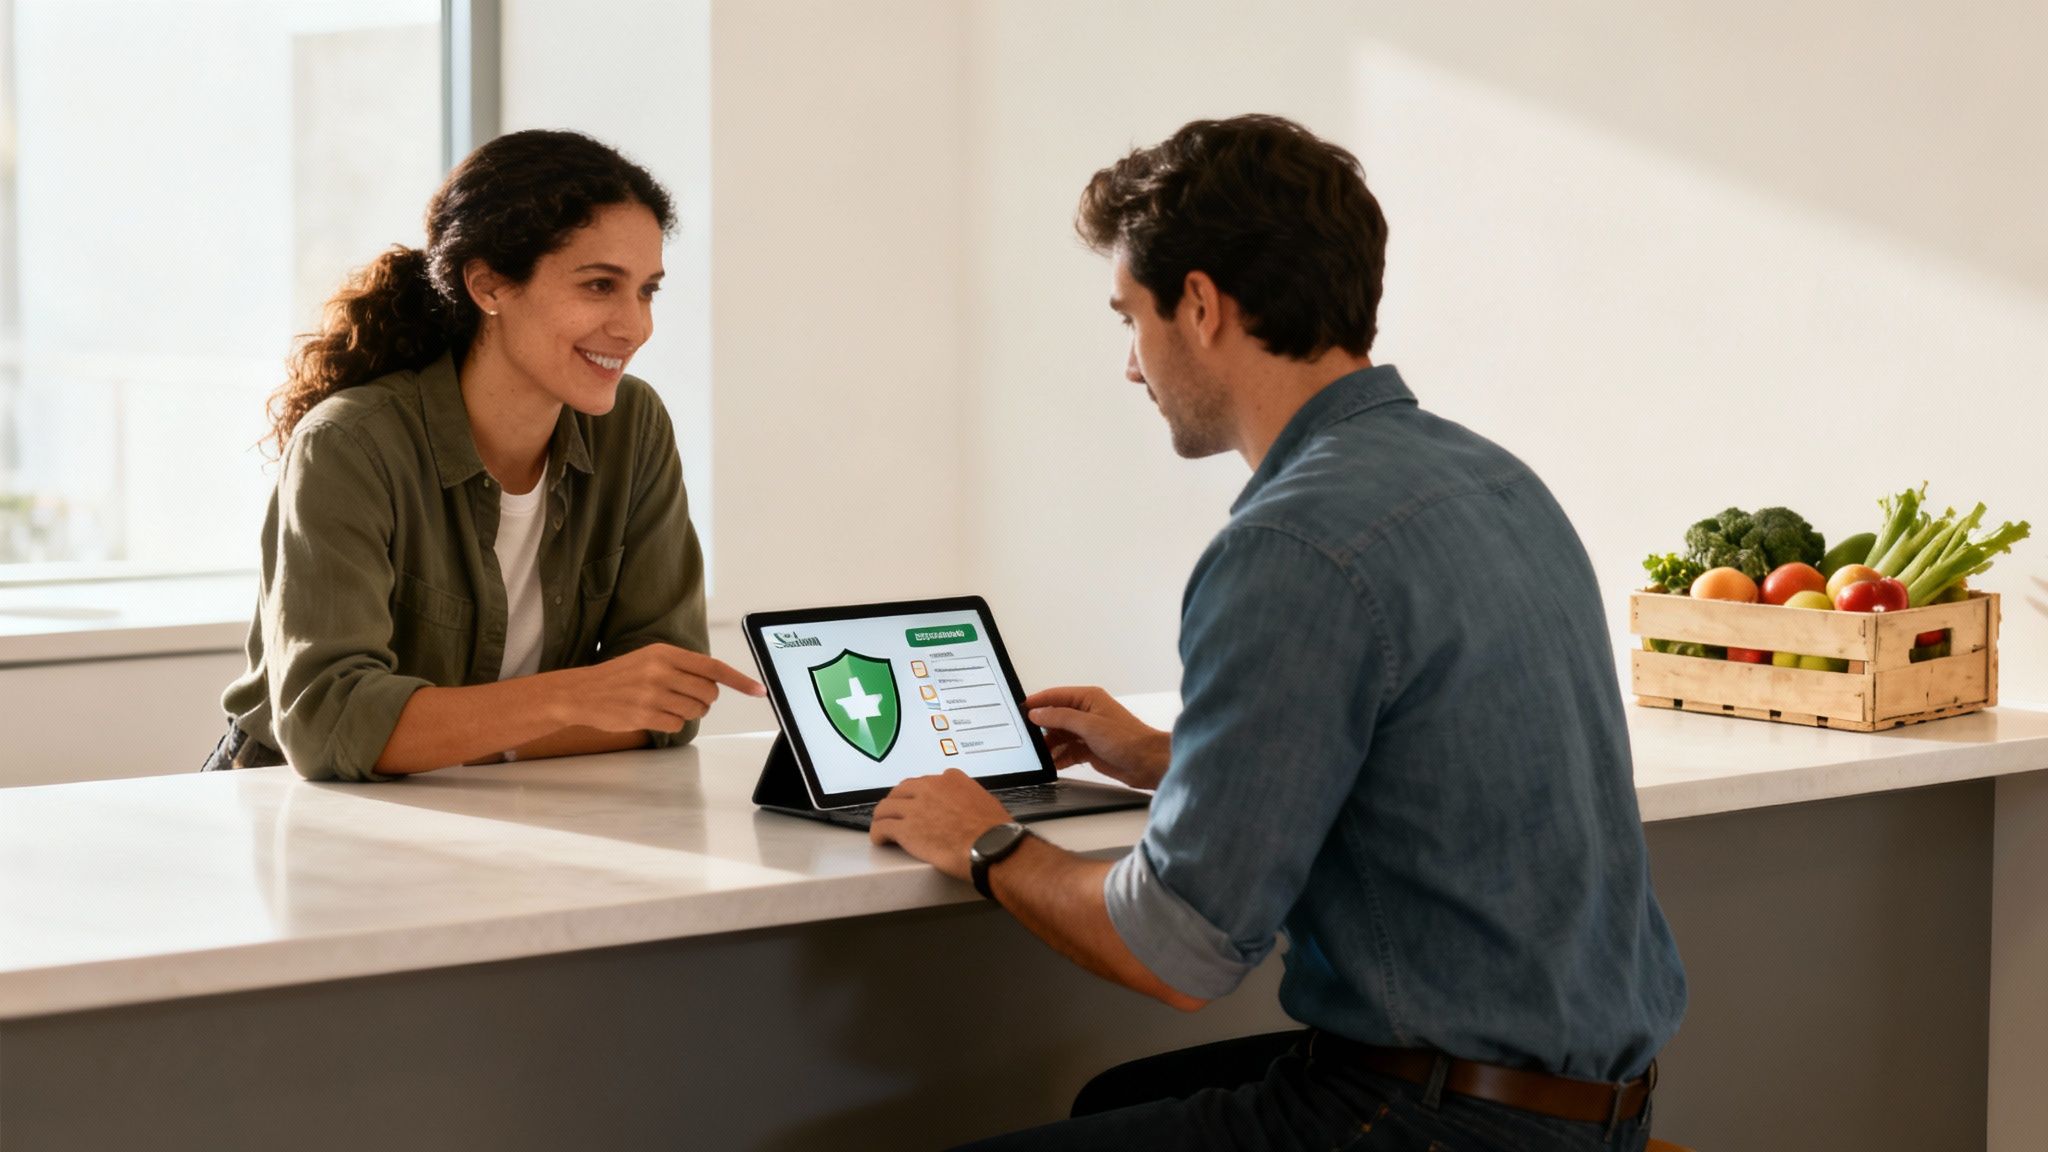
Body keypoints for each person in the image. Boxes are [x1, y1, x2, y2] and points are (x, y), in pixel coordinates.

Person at [869, 115, 1686, 1151]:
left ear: (1199, 305)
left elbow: (1172, 955)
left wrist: (980, 839)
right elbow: (1424, 768)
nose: (1130, 365)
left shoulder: (1292, 542)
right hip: (1585, 1107)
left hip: (1439, 1126)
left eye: (1130, 318)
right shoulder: (1492, 479)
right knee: (1110, 1104)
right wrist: (1173, 760)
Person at [208, 129, 762, 782]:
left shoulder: (634, 428)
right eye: (599, 285)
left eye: (647, 290)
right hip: (288, 803)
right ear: (490, 285)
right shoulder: (350, 443)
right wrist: (574, 699)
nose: (635, 326)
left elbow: (665, 703)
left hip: (493, 796)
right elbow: (330, 726)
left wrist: (454, 737)